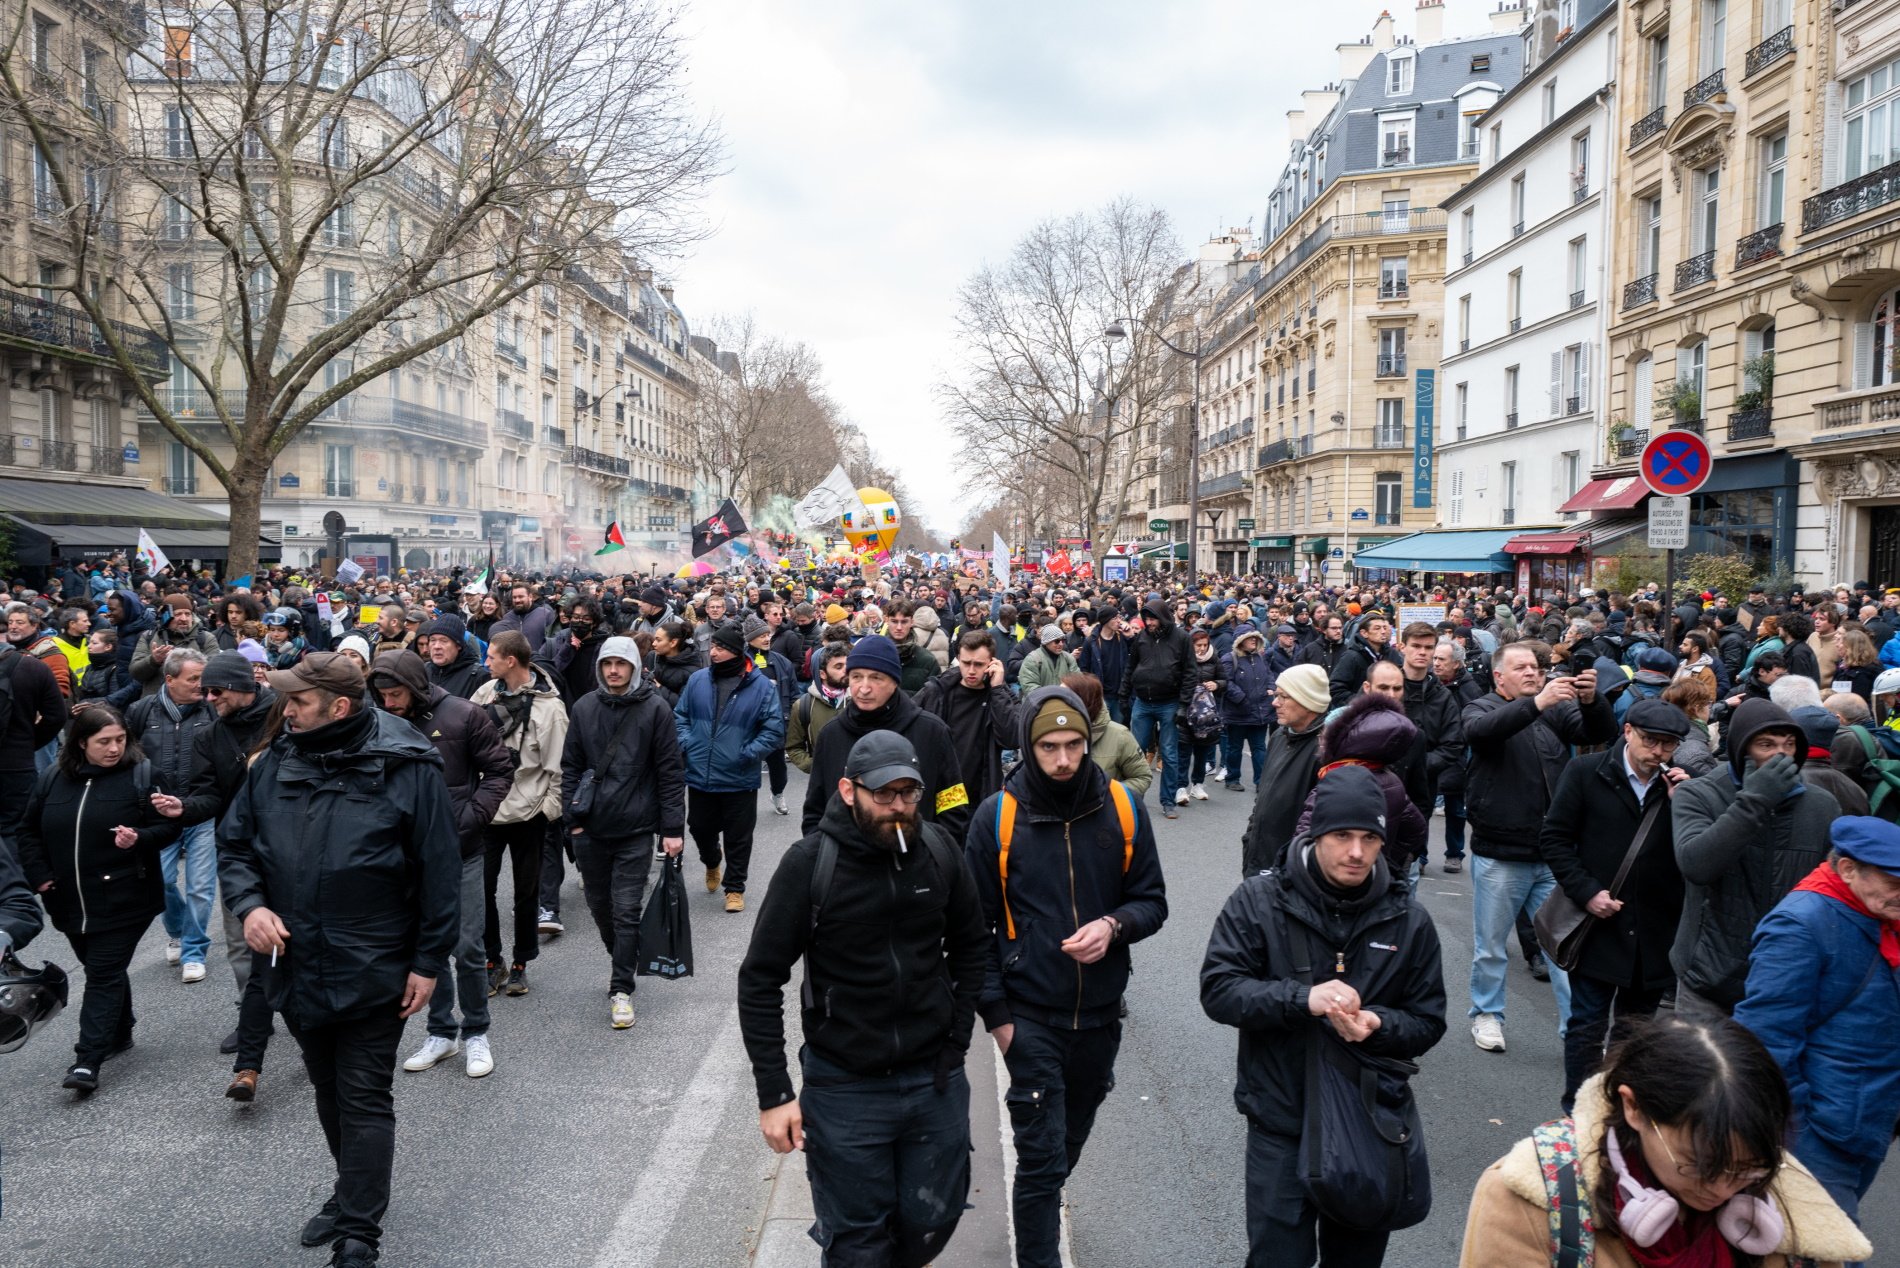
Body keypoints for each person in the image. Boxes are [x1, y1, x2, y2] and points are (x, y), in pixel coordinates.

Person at [217, 651, 458, 1268]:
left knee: (364, 1094)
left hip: (375, 962)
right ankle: (351, 1191)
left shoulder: (409, 766)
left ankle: (358, 1234)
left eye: (297, 701)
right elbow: (237, 844)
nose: (285, 709)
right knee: (327, 1086)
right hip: (295, 961)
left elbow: (439, 872)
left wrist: (428, 962)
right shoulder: (273, 764)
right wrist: (250, 907)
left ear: (339, 706)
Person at [737, 731, 988, 1266]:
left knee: (931, 1222)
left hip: (932, 1079)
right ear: (849, 790)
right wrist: (775, 1093)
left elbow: (972, 946)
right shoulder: (809, 865)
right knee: (858, 1247)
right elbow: (759, 978)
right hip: (845, 1086)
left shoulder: (939, 851)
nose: (898, 808)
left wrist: (958, 1041)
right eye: (884, 795)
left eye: (909, 794)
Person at [1201, 764, 1447, 1268]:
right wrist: (1302, 1000)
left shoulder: (1409, 919)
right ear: (1316, 834)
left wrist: (1379, 1024)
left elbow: (1427, 1019)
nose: (1356, 852)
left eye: (1369, 838)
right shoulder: (1258, 900)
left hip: (1369, 1122)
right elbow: (1219, 990)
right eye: (1341, 836)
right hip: (1280, 1118)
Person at [964, 685, 1168, 1268]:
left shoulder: (1124, 808)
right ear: (1029, 747)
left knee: (1065, 1145)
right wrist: (1000, 1022)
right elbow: (974, 927)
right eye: (1048, 746)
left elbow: (1151, 901)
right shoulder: (998, 817)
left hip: (1102, 1017)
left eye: (1073, 745)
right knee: (1041, 1162)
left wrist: (1113, 926)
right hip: (1031, 1018)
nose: (1061, 759)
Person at [1458, 1015, 1871, 1268]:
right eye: (1697, 1165)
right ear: (1633, 1108)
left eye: (1746, 1169)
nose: (1723, 1189)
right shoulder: (1533, 1199)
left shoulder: (1791, 1205)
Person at [1735, 818, 1900, 1244]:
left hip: (1868, 1119)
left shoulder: (1880, 911)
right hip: (1819, 1132)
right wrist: (1797, 1131)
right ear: (1847, 869)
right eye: (1893, 880)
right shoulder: (1800, 925)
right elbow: (1764, 1042)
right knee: (1827, 1249)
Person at [1539, 698, 1694, 1113]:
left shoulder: (1683, 786)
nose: (1658, 752)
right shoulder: (1587, 772)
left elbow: (1696, 854)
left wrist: (1685, 804)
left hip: (1656, 929)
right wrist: (1587, 891)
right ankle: (1578, 1110)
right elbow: (1554, 838)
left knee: (1636, 1033)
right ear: (1627, 732)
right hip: (1600, 924)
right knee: (1587, 1024)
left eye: (1669, 744)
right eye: (1651, 741)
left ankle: (1618, 1111)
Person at [1462, 640, 1616, 1053]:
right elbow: (1480, 733)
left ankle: (1578, 1029)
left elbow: (1601, 732)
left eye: (1537, 665)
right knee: (1491, 947)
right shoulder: (1483, 707)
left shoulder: (1554, 711)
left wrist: (1591, 700)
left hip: (1551, 854)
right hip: (1500, 852)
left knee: (1563, 948)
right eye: (1523, 667)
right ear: (1500, 676)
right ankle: (1487, 1015)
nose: (1534, 672)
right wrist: (1536, 704)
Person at [15, 705, 177, 1093]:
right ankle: (120, 1030)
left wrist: (140, 838)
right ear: (81, 742)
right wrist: (40, 878)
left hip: (126, 897)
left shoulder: (143, 775)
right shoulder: (53, 778)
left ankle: (87, 1060)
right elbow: (28, 831)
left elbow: (169, 827)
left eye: (120, 739)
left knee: (102, 972)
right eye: (104, 741)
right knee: (101, 967)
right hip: (67, 899)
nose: (114, 748)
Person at [369, 652, 514, 1080]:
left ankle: (476, 1033)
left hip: (460, 851)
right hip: (405, 855)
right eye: (382, 694)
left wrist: (470, 819)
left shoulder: (465, 715)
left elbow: (500, 771)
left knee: (468, 947)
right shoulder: (377, 719)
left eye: (395, 694)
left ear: (414, 688)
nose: (389, 702)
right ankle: (441, 1032)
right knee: (424, 947)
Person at [1671, 699, 1841, 1019]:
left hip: (1784, 981)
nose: (1781, 754)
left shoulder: (1821, 805)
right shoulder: (1699, 794)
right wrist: (1755, 801)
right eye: (1766, 744)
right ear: (1741, 749)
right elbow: (1697, 865)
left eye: (1789, 744)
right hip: (1708, 978)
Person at [559, 637, 686, 1029]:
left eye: (621, 663)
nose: (614, 670)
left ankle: (621, 989)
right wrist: (573, 821)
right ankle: (623, 959)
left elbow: (670, 772)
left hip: (635, 829)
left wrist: (672, 829)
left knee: (627, 910)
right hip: (591, 828)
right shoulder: (583, 707)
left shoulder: (656, 709)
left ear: (634, 665)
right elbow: (569, 767)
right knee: (602, 911)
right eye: (607, 663)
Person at [469, 631, 567, 991]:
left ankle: (522, 961)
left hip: (529, 812)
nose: (486, 662)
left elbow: (559, 767)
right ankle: (492, 960)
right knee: (482, 889)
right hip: (487, 811)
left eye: (491, 656)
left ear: (511, 661)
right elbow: (467, 741)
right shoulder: (485, 694)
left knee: (526, 893)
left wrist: (549, 810)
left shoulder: (549, 708)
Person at [801, 634, 969, 842]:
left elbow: (953, 807)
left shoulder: (933, 732)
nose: (864, 688)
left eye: (876, 678)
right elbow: (814, 812)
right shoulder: (830, 735)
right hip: (846, 868)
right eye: (856, 677)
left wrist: (931, 859)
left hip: (916, 866)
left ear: (895, 681)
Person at [676, 620, 785, 914]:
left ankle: (735, 887)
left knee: (739, 837)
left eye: (721, 647)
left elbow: (773, 730)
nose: (713, 652)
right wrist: (689, 744)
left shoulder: (760, 686)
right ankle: (712, 861)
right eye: (713, 645)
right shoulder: (698, 680)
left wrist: (747, 754)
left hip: (740, 776)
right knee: (699, 828)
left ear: (737, 652)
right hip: (701, 774)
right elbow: (680, 716)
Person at [124, 649, 217, 984]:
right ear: (169, 679)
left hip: (200, 810)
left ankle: (194, 950)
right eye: (193, 678)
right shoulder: (140, 710)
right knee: (159, 881)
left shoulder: (212, 710)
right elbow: (127, 757)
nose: (202, 685)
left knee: (200, 888)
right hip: (157, 814)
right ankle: (178, 930)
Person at [1239, 663, 1329, 875]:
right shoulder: (1280, 736)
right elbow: (1263, 796)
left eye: (1283, 696)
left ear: (1307, 701)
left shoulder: (1326, 752)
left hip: (1292, 872)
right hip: (1259, 859)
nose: (1275, 702)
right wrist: (1250, 837)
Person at [1119, 597, 1192, 819]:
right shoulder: (1142, 637)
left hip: (1169, 702)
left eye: (1153, 619)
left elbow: (1190, 672)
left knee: (1169, 754)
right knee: (1134, 753)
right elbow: (1131, 667)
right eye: (1146, 619)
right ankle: (1133, 798)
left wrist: (1184, 705)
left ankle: (1168, 801)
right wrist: (1124, 694)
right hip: (1142, 701)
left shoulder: (1182, 638)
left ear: (1162, 618)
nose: (1149, 623)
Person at [1062, 672, 1152, 796]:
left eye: (1063, 697)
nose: (1056, 701)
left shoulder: (1120, 736)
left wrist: (1108, 793)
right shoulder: (1049, 734)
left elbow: (1142, 777)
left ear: (1084, 701)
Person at [744, 614, 798, 817]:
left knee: (778, 767)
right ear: (750, 639)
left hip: (776, 723)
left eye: (768, 634)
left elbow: (794, 693)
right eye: (761, 636)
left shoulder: (782, 662)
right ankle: (745, 802)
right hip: (748, 723)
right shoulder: (741, 661)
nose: (766, 639)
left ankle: (778, 794)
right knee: (747, 764)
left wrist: (791, 716)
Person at [1218, 627, 1276, 793]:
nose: (1254, 640)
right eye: (1250, 638)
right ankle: (1232, 778)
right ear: (1240, 641)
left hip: (1260, 712)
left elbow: (1269, 675)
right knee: (1234, 747)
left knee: (1259, 748)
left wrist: (1271, 688)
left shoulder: (1260, 657)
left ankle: (1260, 781)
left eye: (1255, 638)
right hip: (1238, 712)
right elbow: (1226, 682)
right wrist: (1241, 698)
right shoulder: (1229, 659)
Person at [130, 596, 219, 698]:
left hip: (196, 704)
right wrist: (153, 660)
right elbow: (135, 673)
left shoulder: (206, 638)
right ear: (165, 616)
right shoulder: (149, 637)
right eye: (178, 614)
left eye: (187, 614)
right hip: (156, 705)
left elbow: (215, 671)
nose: (184, 619)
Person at [786, 641, 850, 773]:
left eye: (847, 665)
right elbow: (794, 747)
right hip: (823, 784)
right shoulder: (803, 706)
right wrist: (815, 767)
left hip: (858, 782)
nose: (846, 671)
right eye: (838, 667)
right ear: (822, 674)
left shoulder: (859, 699)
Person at [1327, 610, 1400, 710]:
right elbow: (1336, 689)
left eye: (1384, 628)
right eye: (1377, 628)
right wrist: (1362, 703)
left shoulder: (1392, 654)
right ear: (1364, 633)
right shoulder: (1352, 656)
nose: (1383, 632)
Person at [418, 614, 489, 700]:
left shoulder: (477, 676)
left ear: (458, 645)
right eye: (432, 640)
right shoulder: (423, 671)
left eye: (444, 641)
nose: (436, 646)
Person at [1017, 623, 1079, 695]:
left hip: (1064, 702)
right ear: (1046, 642)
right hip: (1039, 703)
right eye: (1057, 641)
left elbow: (1077, 681)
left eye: (1063, 640)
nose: (1061, 644)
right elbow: (1029, 686)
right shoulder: (1033, 659)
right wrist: (1050, 698)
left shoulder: (1068, 658)